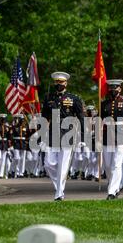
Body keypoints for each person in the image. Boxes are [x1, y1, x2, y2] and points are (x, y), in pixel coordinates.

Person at [42, 71, 85, 201]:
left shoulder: (74, 98)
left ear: (66, 83)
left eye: (61, 82)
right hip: (52, 134)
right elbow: (44, 118)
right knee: (48, 163)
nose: (59, 84)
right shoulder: (49, 98)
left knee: (63, 165)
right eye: (57, 82)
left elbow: (81, 118)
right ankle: (59, 187)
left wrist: (83, 137)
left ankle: (59, 194)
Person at [101, 79, 123, 200]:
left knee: (116, 165)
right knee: (108, 166)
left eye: (116, 88)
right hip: (106, 137)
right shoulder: (103, 104)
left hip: (120, 137)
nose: (113, 90)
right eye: (111, 88)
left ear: (120, 89)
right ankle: (114, 186)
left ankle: (112, 191)